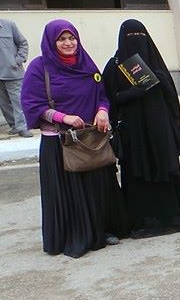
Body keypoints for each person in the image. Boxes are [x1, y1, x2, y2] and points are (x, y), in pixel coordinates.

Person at [20, 20, 129, 257]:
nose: (68, 43)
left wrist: (102, 110)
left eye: (72, 38)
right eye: (62, 39)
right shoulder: (39, 68)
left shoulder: (87, 64)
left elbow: (102, 95)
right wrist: (63, 117)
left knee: (96, 187)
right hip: (60, 142)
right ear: (51, 42)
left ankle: (101, 230)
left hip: (90, 139)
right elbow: (32, 104)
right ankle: (76, 235)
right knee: (70, 192)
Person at [102, 19, 180, 238]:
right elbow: (107, 100)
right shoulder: (114, 67)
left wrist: (162, 81)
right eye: (131, 36)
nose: (136, 41)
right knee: (137, 173)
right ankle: (143, 221)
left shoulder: (157, 64)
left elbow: (172, 100)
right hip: (133, 133)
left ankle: (172, 218)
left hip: (159, 130)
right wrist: (129, 94)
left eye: (140, 35)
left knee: (164, 168)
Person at [0, 18, 31, 137]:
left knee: (18, 101)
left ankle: (23, 127)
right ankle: (14, 126)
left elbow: (23, 43)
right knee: (3, 104)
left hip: (12, 73)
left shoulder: (9, 25)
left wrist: (18, 60)